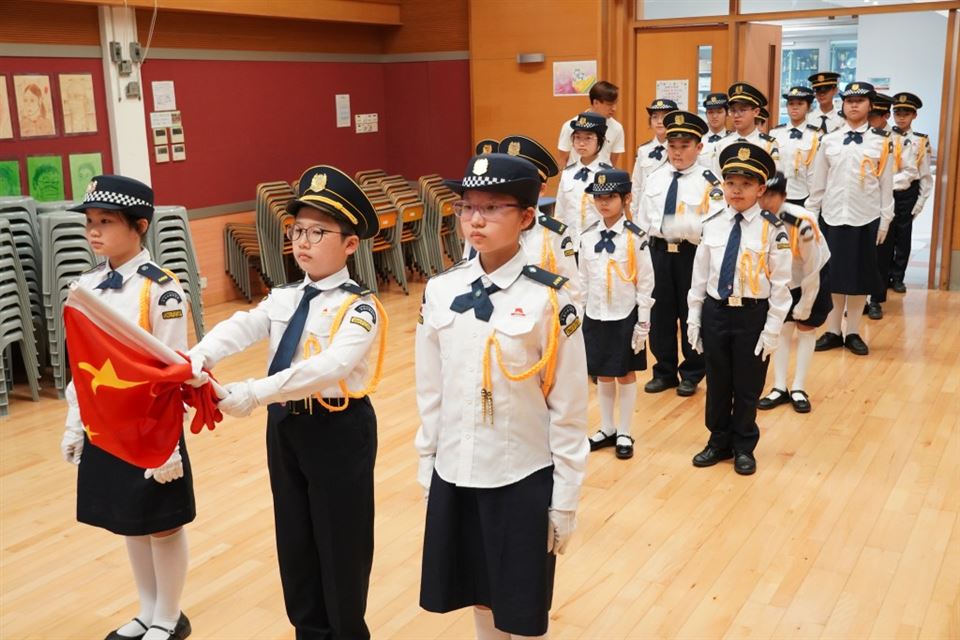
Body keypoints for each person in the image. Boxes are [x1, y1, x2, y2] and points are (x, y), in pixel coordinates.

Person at [187, 166, 387, 639]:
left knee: (340, 543)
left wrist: (254, 392)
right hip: (286, 427)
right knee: (295, 538)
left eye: (318, 232)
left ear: (350, 244)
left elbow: (330, 367)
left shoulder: (359, 307)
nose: (303, 242)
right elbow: (244, 325)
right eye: (297, 230)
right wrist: (199, 356)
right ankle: (309, 632)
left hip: (337, 428)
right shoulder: (286, 296)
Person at [415, 153, 588, 640]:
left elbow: (569, 407)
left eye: (492, 208)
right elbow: (431, 388)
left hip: (520, 475)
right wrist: (427, 461)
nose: (476, 219)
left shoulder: (550, 299)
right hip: (456, 469)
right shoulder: (441, 290)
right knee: (477, 591)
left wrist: (566, 497)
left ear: (527, 217)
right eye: (467, 206)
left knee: (522, 603)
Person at [60, 175, 194, 640]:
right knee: (130, 521)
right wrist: (74, 422)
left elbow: (175, 370)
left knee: (162, 524)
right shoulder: (87, 287)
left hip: (151, 428)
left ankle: (169, 617)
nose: (93, 231)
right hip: (106, 426)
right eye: (90, 222)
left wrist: (169, 444)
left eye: (106, 222)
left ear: (139, 226)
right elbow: (83, 367)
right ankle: (146, 610)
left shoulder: (162, 289)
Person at [687, 143, 791, 476]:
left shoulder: (772, 230)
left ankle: (744, 445)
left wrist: (772, 329)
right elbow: (699, 277)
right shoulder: (712, 222)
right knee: (718, 381)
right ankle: (718, 441)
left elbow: (781, 286)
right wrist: (694, 318)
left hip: (752, 315)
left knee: (747, 384)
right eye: (731, 183)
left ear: (760, 189)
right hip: (716, 312)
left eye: (746, 184)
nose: (736, 190)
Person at [637, 110, 724, 397]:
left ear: (699, 147)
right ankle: (664, 370)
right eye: (672, 146)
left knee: (691, 311)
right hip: (658, 253)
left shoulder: (710, 182)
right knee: (660, 313)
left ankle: (692, 371)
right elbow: (643, 219)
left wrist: (679, 226)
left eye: (684, 146)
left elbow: (714, 224)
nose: (677, 152)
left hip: (691, 254)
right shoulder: (655, 177)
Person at [807, 81, 893, 356]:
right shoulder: (828, 140)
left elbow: (886, 185)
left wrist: (885, 220)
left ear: (870, 105)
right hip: (832, 216)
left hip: (865, 217)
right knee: (833, 276)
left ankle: (853, 331)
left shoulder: (882, 142)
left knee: (860, 277)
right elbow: (818, 183)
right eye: (849, 101)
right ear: (843, 105)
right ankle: (833, 331)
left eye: (860, 101)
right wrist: (811, 217)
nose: (854, 105)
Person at [580, 169, 655, 459]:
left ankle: (624, 431)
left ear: (626, 198)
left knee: (624, 373)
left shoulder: (636, 237)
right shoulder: (587, 236)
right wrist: (579, 316)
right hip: (595, 314)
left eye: (610, 197)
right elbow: (583, 280)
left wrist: (643, 322)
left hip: (625, 315)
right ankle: (607, 427)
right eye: (598, 197)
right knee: (602, 373)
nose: (603, 203)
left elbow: (645, 282)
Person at [463, 135, 583, 308]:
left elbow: (571, 291)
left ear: (541, 189)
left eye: (522, 185)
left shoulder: (554, 233)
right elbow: (468, 268)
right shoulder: (483, 225)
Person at [757, 172, 832, 414]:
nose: (765, 201)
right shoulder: (755, 216)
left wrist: (806, 303)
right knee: (781, 328)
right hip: (781, 278)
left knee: (805, 327)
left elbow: (812, 266)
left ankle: (799, 387)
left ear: (784, 196)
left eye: (772, 196)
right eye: (762, 195)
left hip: (812, 275)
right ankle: (779, 387)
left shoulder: (800, 222)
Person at [887, 92, 933, 293]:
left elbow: (925, 175)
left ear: (914, 115)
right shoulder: (885, 137)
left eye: (906, 113)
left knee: (903, 237)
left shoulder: (920, 141)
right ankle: (884, 275)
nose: (901, 118)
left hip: (907, 193)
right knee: (885, 236)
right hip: (886, 192)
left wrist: (920, 202)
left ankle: (898, 277)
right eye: (897, 113)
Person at [866, 93, 903, 320]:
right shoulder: (863, 136)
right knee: (861, 253)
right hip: (864, 198)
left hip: (889, 196)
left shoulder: (897, 139)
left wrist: (886, 183)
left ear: (885, 115)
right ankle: (859, 298)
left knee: (881, 252)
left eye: (874, 116)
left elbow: (907, 170)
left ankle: (876, 300)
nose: (870, 120)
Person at [554, 112, 610, 250]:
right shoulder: (567, 173)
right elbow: (560, 213)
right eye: (577, 137)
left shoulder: (608, 175)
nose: (581, 143)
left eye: (588, 138)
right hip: (570, 244)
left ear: (600, 141)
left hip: (597, 245)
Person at [712, 82, 780, 178]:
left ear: (756, 112)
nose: (736, 115)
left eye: (742, 110)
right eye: (733, 110)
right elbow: (718, 179)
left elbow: (774, 179)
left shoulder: (768, 144)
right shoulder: (722, 144)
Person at [770, 86, 821, 207]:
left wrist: (813, 202)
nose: (795, 107)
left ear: (808, 107)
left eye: (800, 103)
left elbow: (815, 172)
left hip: (802, 195)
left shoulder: (815, 135)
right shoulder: (775, 133)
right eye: (791, 103)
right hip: (776, 192)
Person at [556, 80, 625, 167]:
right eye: (609, 104)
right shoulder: (570, 126)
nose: (614, 108)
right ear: (596, 103)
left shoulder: (617, 128)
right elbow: (562, 159)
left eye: (615, 104)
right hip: (576, 174)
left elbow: (612, 162)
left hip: (603, 175)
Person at [629, 98, 677, 219]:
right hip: (646, 212)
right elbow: (637, 184)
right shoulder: (643, 150)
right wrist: (635, 214)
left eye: (664, 117)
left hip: (671, 210)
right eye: (655, 117)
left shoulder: (680, 150)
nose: (659, 121)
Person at [698, 92, 730, 169]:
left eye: (719, 112)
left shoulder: (732, 140)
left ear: (727, 114)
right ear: (706, 114)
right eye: (710, 112)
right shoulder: (698, 140)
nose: (714, 116)